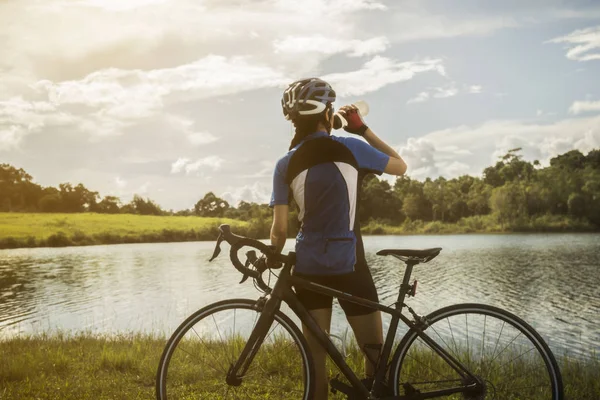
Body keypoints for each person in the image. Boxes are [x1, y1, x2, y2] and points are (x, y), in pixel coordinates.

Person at [268, 78, 407, 399]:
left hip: (308, 269)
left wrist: (272, 254)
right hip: (351, 267)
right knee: (375, 359)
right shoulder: (352, 147)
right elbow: (401, 166)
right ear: (327, 112)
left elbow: (279, 231)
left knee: (315, 363)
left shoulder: (284, 164)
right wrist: (362, 129)